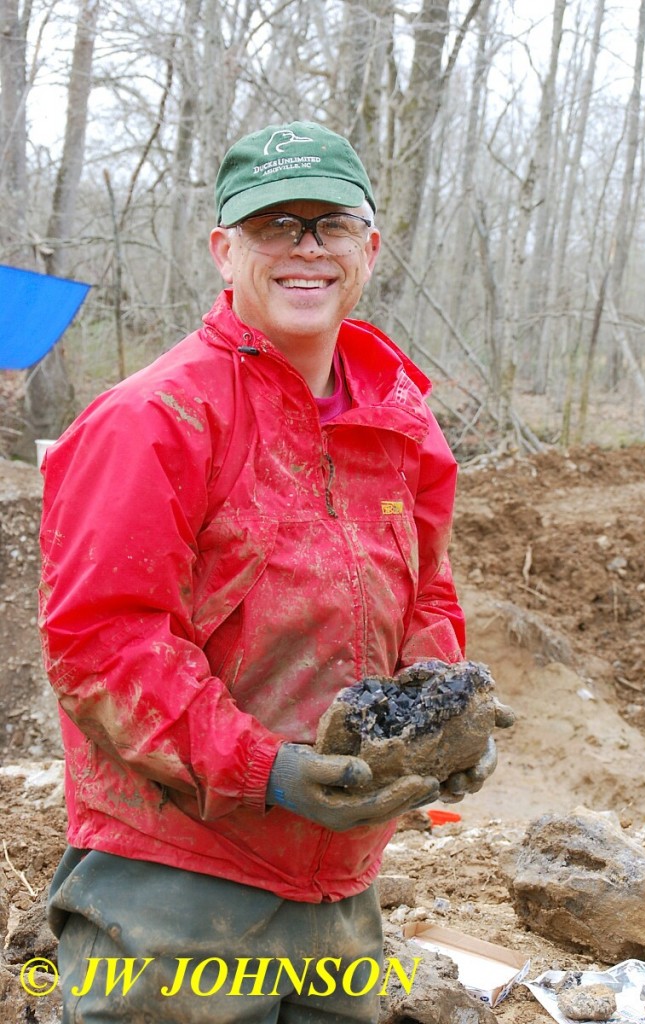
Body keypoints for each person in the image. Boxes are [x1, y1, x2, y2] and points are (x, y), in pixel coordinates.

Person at [39, 120, 506, 1024]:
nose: (306, 249)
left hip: (342, 886)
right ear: (224, 250)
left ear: (368, 247)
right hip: (174, 888)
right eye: (273, 226)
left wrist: (449, 709)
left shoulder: (399, 423)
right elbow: (103, 645)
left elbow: (426, 595)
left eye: (329, 224)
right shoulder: (154, 418)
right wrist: (268, 771)